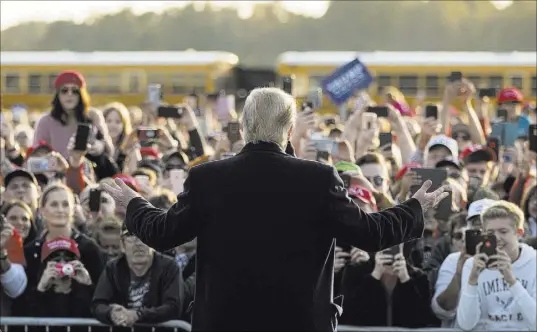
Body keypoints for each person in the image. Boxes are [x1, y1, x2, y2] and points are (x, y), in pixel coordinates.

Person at [102, 87, 449, 331]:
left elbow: (164, 234)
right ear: (287, 130)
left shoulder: (208, 178)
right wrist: (414, 207)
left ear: (244, 126)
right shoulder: (318, 179)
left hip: (225, 323)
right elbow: (371, 234)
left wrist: (133, 203)